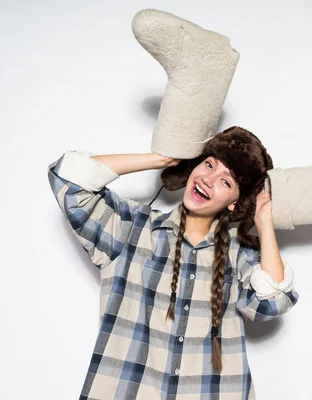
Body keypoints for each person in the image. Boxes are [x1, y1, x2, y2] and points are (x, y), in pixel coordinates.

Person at [47, 126, 299, 399]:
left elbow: (272, 302)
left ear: (234, 204)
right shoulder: (132, 228)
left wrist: (264, 221)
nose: (208, 179)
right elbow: (68, 180)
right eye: (208, 164)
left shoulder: (239, 255)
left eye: (226, 182)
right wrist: (160, 159)